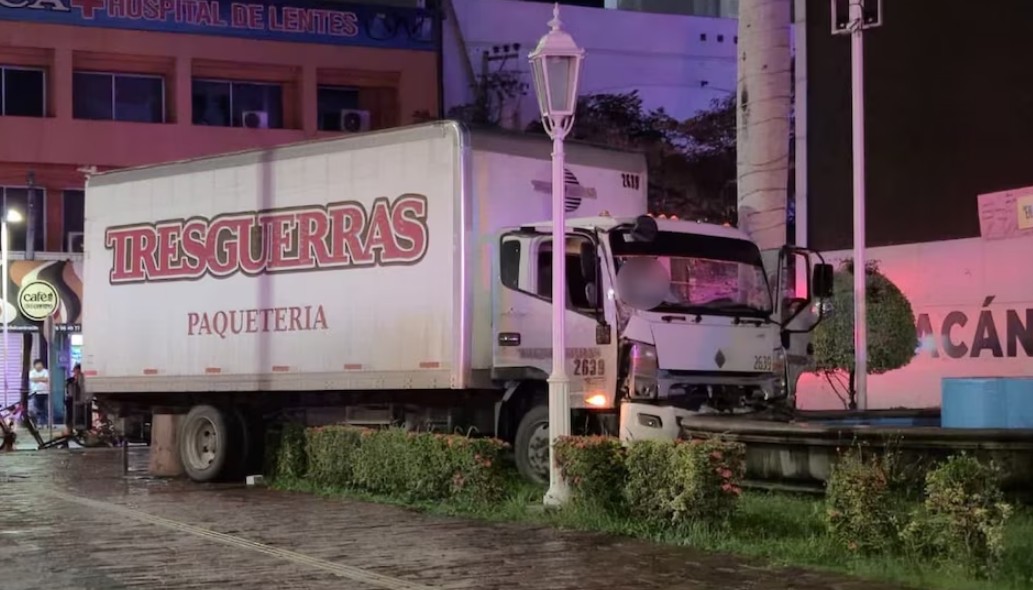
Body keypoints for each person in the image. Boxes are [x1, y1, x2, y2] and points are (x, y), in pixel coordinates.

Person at [28, 359, 50, 427]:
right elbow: (32, 379)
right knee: (37, 409)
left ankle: (46, 423)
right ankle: (39, 423)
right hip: (36, 393)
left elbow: (46, 379)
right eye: (38, 364)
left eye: (40, 364)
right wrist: (41, 378)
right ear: (34, 365)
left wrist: (38, 379)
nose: (39, 366)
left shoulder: (46, 371)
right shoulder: (32, 372)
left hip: (45, 392)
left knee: (45, 408)